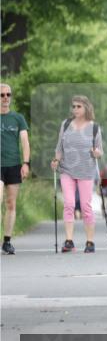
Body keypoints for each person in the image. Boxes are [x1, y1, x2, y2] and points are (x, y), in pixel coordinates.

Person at [50, 95, 102, 253]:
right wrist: (55, 161)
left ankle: (90, 242)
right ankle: (69, 241)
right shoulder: (65, 125)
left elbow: (100, 150)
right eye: (74, 106)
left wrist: (96, 153)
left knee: (86, 206)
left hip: (86, 171)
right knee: (69, 204)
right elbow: (59, 147)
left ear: (86, 107)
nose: (75, 109)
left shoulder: (94, 127)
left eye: (79, 106)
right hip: (67, 170)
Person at [1, 83, 31, 255]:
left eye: (8, 94)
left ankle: (7, 241)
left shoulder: (18, 118)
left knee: (11, 204)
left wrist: (25, 163)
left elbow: (25, 142)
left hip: (13, 165)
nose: (5, 98)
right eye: (2, 95)